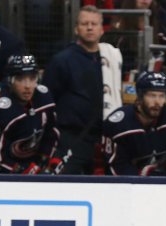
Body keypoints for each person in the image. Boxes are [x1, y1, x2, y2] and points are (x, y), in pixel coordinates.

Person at [43, 5, 107, 175]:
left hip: (102, 138)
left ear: (102, 29)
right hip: (70, 137)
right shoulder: (61, 60)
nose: (89, 27)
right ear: (76, 29)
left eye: (94, 23)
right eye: (84, 23)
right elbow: (48, 99)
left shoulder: (110, 58)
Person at [102, 71, 166, 176]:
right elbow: (116, 167)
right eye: (152, 95)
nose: (157, 102)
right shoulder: (119, 124)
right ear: (140, 96)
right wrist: (144, 177)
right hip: (127, 187)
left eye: (162, 96)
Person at [0, 55, 60, 174]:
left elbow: (51, 133)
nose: (27, 86)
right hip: (7, 174)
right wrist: (18, 170)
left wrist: (45, 160)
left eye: (32, 78)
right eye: (20, 79)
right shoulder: (0, 108)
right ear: (10, 81)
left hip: (33, 163)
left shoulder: (44, 98)